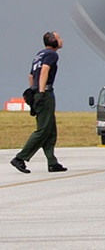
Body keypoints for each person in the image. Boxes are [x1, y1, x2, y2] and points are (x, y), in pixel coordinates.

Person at [11, 31, 68, 174]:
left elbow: (31, 76)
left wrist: (34, 91)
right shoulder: (52, 55)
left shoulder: (39, 55)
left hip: (37, 92)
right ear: (52, 40)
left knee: (50, 130)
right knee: (43, 130)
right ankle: (20, 158)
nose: (62, 40)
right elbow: (44, 72)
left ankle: (52, 163)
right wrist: (41, 93)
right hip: (45, 94)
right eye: (59, 38)